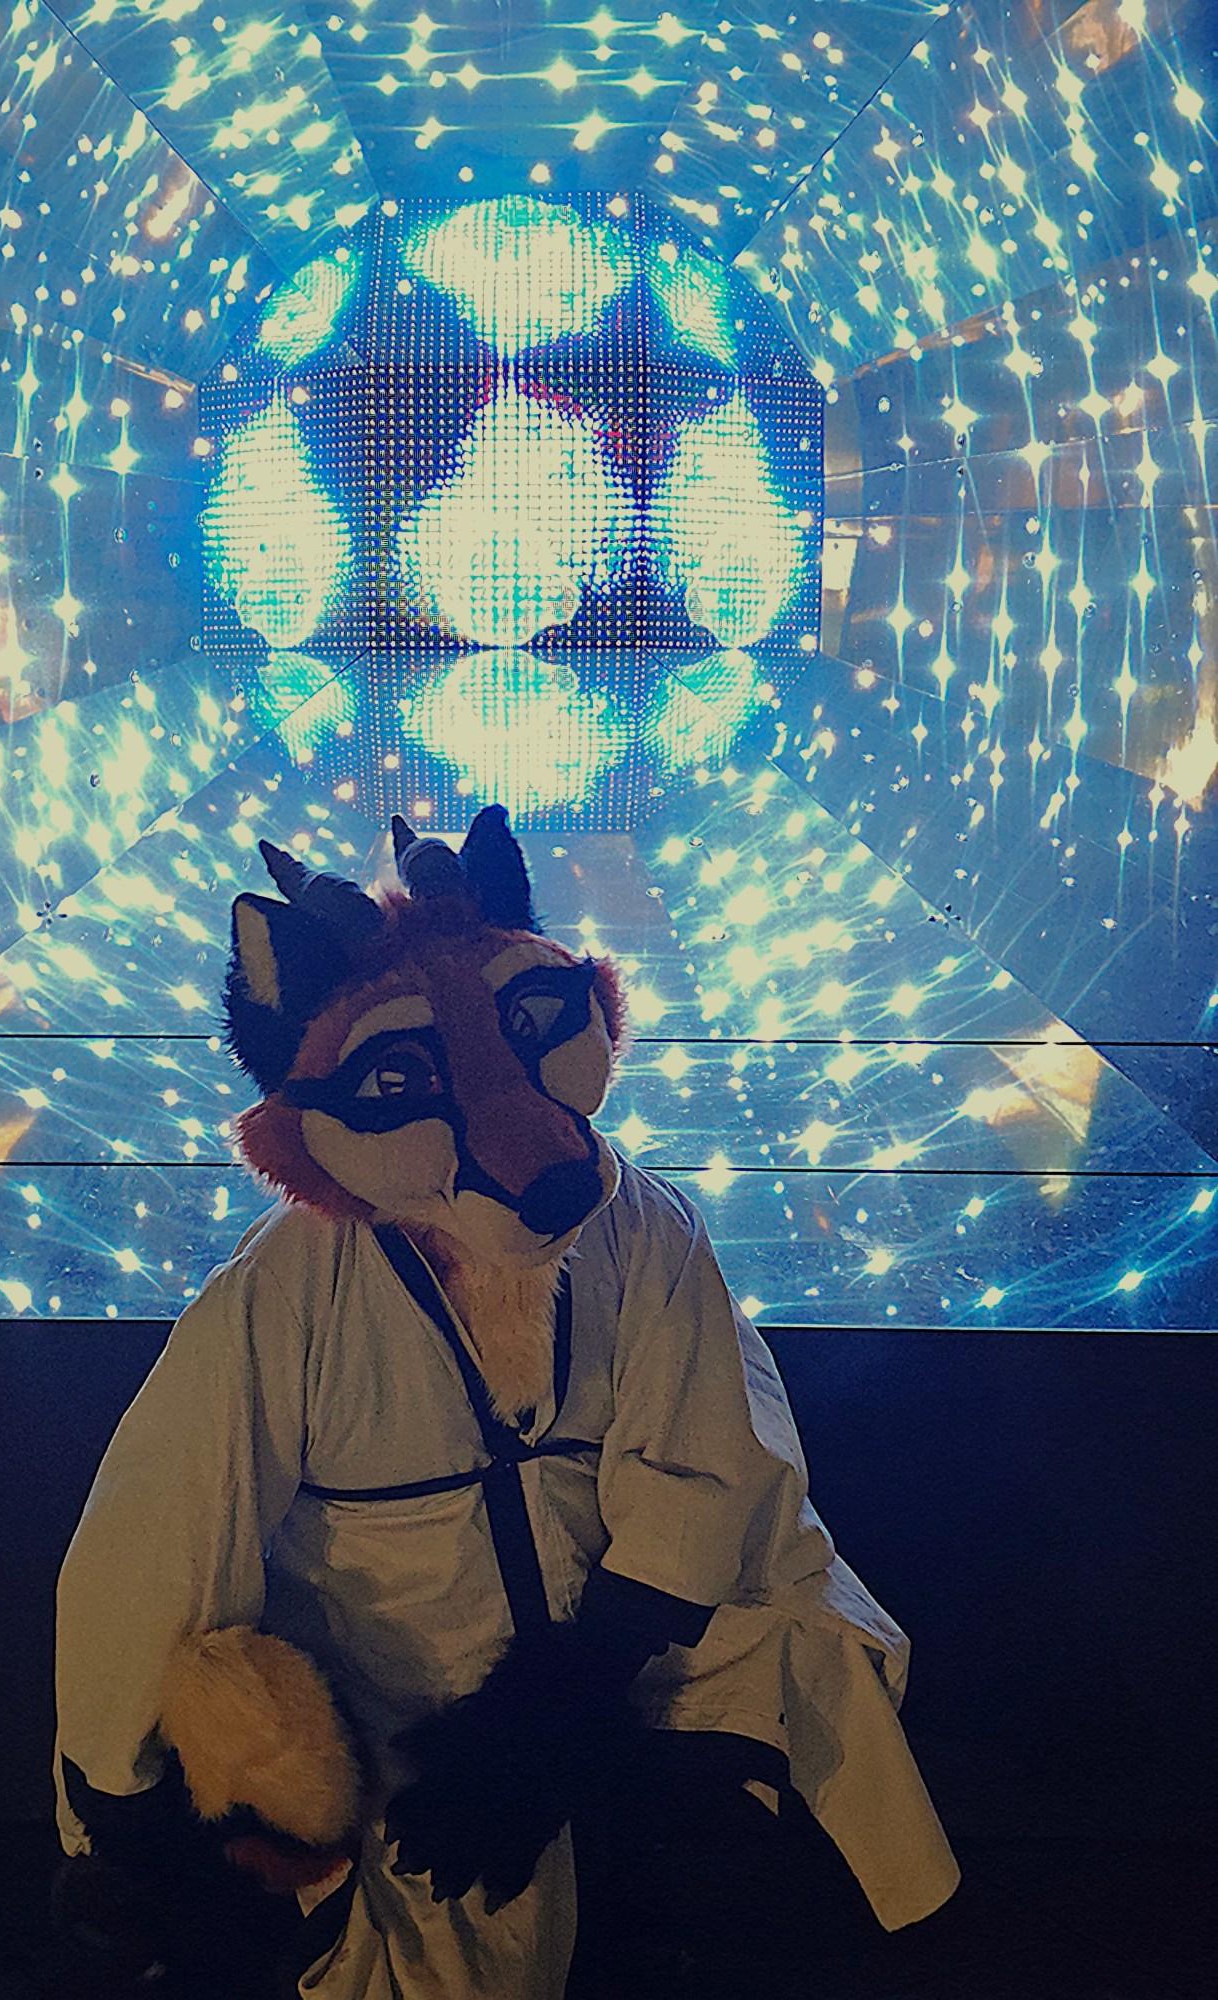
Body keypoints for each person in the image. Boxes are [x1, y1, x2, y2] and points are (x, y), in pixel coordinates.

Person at [52, 807, 959, 1997]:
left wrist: (566, 1698)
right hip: (402, 1681)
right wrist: (115, 1817)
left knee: (797, 1643)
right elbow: (159, 1535)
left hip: (629, 1646)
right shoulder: (284, 1289)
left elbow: (714, 1466)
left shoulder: (646, 1225)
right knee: (455, 1942)